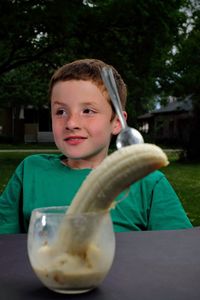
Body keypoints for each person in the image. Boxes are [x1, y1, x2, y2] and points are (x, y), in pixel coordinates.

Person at [0, 58, 192, 234]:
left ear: (116, 122)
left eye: (87, 111)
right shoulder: (31, 171)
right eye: (60, 111)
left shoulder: (147, 182)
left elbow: (178, 249)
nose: (71, 123)